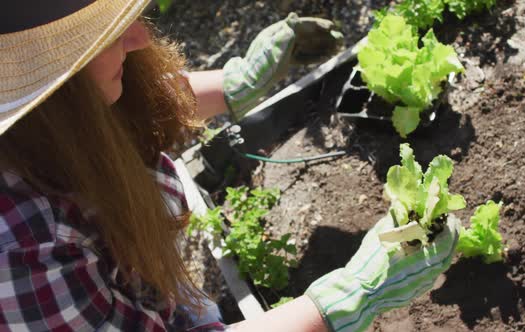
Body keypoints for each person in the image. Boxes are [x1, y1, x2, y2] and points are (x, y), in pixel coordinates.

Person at [0, 1, 460, 331]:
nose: (139, 36)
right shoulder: (25, 259)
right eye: (101, 38)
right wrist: (349, 297)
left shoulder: (50, 121)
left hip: (152, 296)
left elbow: (121, 103)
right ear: (43, 93)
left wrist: (238, 81)